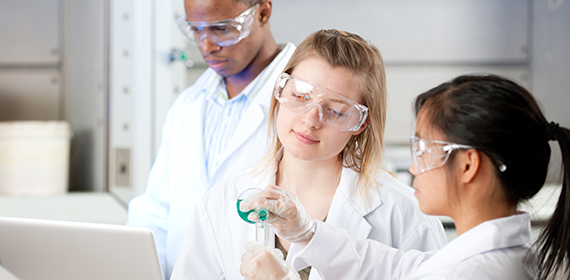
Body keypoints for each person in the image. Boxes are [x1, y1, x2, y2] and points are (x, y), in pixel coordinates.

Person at [171, 29, 448, 280]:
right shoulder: (221, 201)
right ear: (280, 90)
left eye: (337, 111)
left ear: (360, 123)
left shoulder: (403, 213)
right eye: (301, 96)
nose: (311, 120)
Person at [239, 74, 570, 279]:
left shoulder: (474, 272)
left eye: (424, 150)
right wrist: (308, 231)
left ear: (469, 165)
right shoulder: (483, 257)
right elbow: (399, 269)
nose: (413, 167)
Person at [125, 0, 296, 278]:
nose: (206, 46)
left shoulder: (305, 108)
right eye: (196, 29)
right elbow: (158, 209)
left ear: (263, 12)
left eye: (222, 29)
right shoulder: (188, 105)